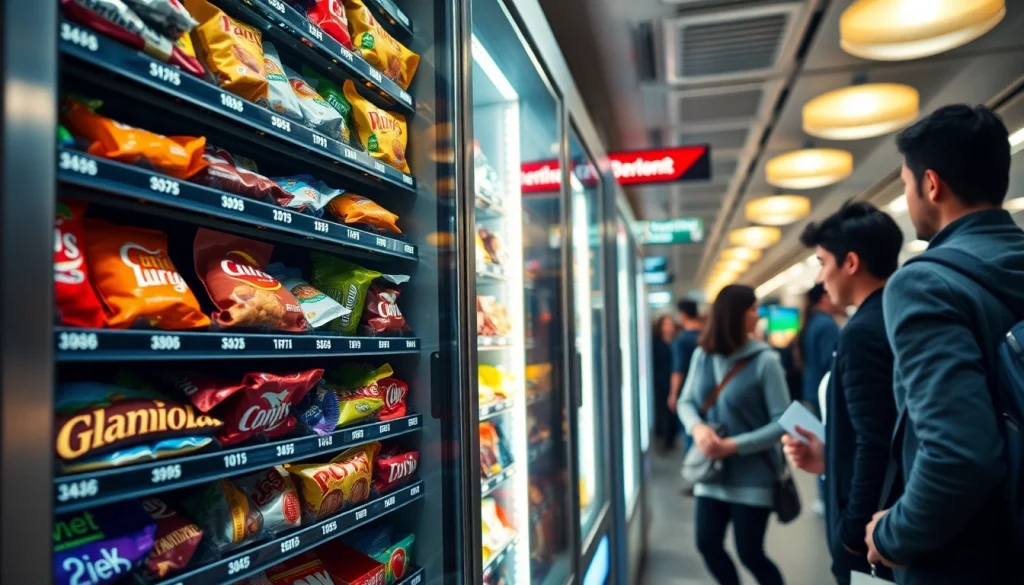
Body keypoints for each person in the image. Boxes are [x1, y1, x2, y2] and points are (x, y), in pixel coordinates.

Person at [863, 104, 1020, 584]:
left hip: (970, 556)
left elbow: (959, 455)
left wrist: (890, 535)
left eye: (907, 185)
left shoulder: (926, 284)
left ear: (931, 185)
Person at [782, 201, 902, 584]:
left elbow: (874, 439)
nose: (820, 278)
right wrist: (830, 454)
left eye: (821, 262)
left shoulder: (862, 333)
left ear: (850, 262)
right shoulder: (899, 315)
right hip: (896, 512)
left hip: (872, 527)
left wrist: (851, 533)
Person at [677, 285, 789, 585]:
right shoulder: (703, 355)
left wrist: (733, 446)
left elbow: (783, 421)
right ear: (734, 315)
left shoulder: (766, 361)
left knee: (751, 553)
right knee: (707, 544)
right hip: (711, 474)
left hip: (754, 475)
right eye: (752, 309)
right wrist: (697, 428)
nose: (757, 315)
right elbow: (685, 401)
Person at [794, 284, 840, 416]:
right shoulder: (827, 325)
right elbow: (831, 362)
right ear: (824, 298)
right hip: (825, 391)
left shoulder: (810, 323)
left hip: (811, 389)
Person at [667, 300, 703, 415]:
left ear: (683, 315)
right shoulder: (707, 335)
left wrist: (673, 393)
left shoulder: (681, 340)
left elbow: (678, 370)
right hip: (708, 388)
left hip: (688, 389)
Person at [651, 314, 680, 452]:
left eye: (670, 324)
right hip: (660, 383)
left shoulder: (675, 342)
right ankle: (662, 438)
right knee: (662, 412)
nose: (669, 327)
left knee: (672, 413)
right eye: (666, 324)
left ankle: (670, 439)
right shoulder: (656, 344)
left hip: (673, 383)